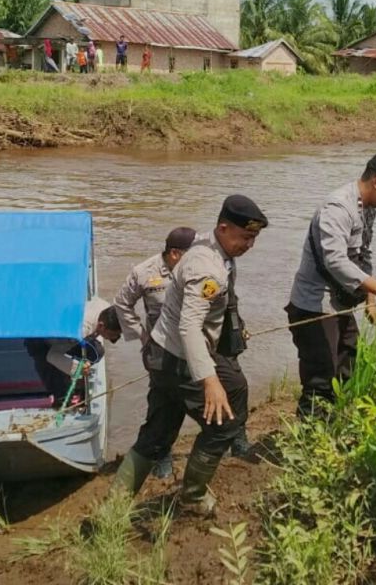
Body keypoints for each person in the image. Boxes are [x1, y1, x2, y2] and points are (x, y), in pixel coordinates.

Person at [113, 195, 267, 516]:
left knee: (157, 433)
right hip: (180, 358)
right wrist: (209, 379)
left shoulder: (209, 245)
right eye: (245, 237)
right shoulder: (206, 269)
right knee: (224, 423)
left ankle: (111, 512)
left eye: (254, 238)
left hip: (163, 353)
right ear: (223, 228)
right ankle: (193, 496)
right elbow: (190, 328)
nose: (249, 245)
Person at [287, 152, 376, 418]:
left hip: (338, 305)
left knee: (348, 367)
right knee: (320, 381)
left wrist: (369, 297)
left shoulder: (366, 209)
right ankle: (308, 442)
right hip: (314, 308)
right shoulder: (338, 208)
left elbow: (361, 256)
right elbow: (335, 259)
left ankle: (331, 429)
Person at [115, 226, 197, 479]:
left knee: (199, 395)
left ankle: (222, 441)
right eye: (191, 254)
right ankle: (161, 454)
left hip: (193, 345)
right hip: (160, 349)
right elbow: (122, 302)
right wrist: (141, 335)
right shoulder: (144, 272)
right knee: (162, 401)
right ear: (174, 254)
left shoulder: (198, 271)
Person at [26, 301, 122, 408]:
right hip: (42, 337)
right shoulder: (80, 330)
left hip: (65, 327)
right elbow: (53, 355)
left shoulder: (106, 309)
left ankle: (77, 382)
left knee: (96, 352)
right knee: (53, 374)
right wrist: (78, 369)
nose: (112, 339)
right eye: (112, 335)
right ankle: (62, 398)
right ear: (101, 326)